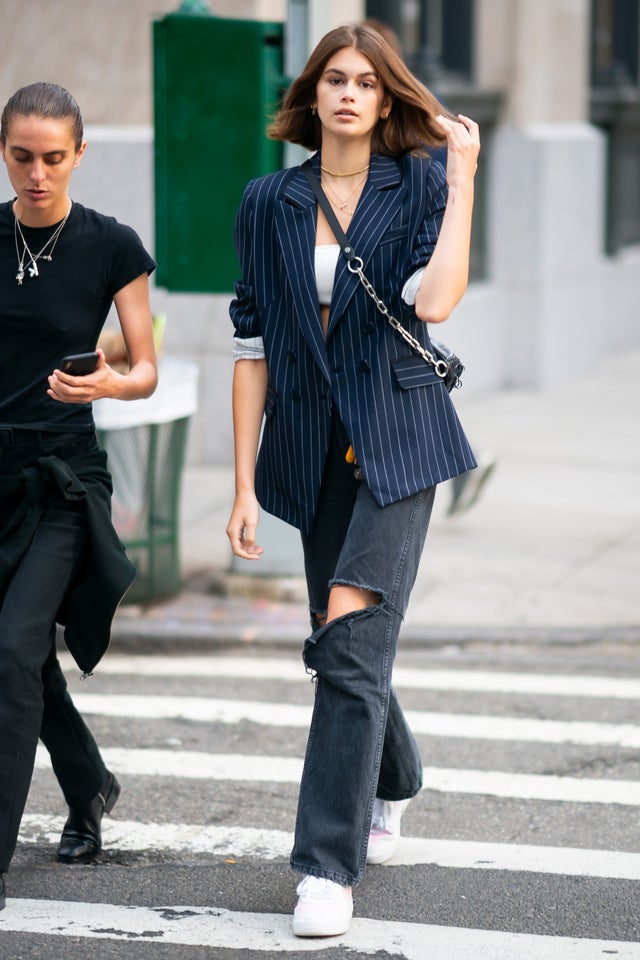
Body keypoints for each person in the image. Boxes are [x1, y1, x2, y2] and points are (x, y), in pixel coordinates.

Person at [226, 23, 479, 937]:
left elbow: (437, 301)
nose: (348, 94)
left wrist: (463, 186)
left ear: (386, 101)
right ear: (313, 94)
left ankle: (328, 866)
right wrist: (244, 484)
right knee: (346, 639)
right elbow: (250, 346)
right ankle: (397, 773)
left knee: (350, 631)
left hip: (400, 438)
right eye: (334, 79)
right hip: (310, 445)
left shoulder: (414, 184)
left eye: (367, 84)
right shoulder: (268, 201)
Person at [0, 82, 158, 911]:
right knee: (21, 658)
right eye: (22, 156)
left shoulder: (111, 246)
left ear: (80, 154)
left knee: (10, 648)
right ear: (4, 152)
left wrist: (108, 384)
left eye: (53, 157)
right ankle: (89, 785)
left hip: (63, 478)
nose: (37, 173)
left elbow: (145, 368)